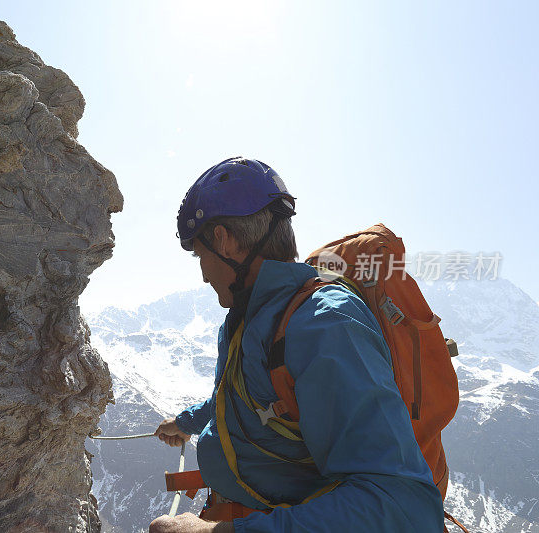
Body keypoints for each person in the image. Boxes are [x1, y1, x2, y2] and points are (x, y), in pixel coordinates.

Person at [149, 157, 444, 532]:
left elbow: (404, 507)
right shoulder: (255, 316)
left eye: (200, 254)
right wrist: (186, 422)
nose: (204, 272)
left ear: (223, 239)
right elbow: (243, 400)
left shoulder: (323, 324)